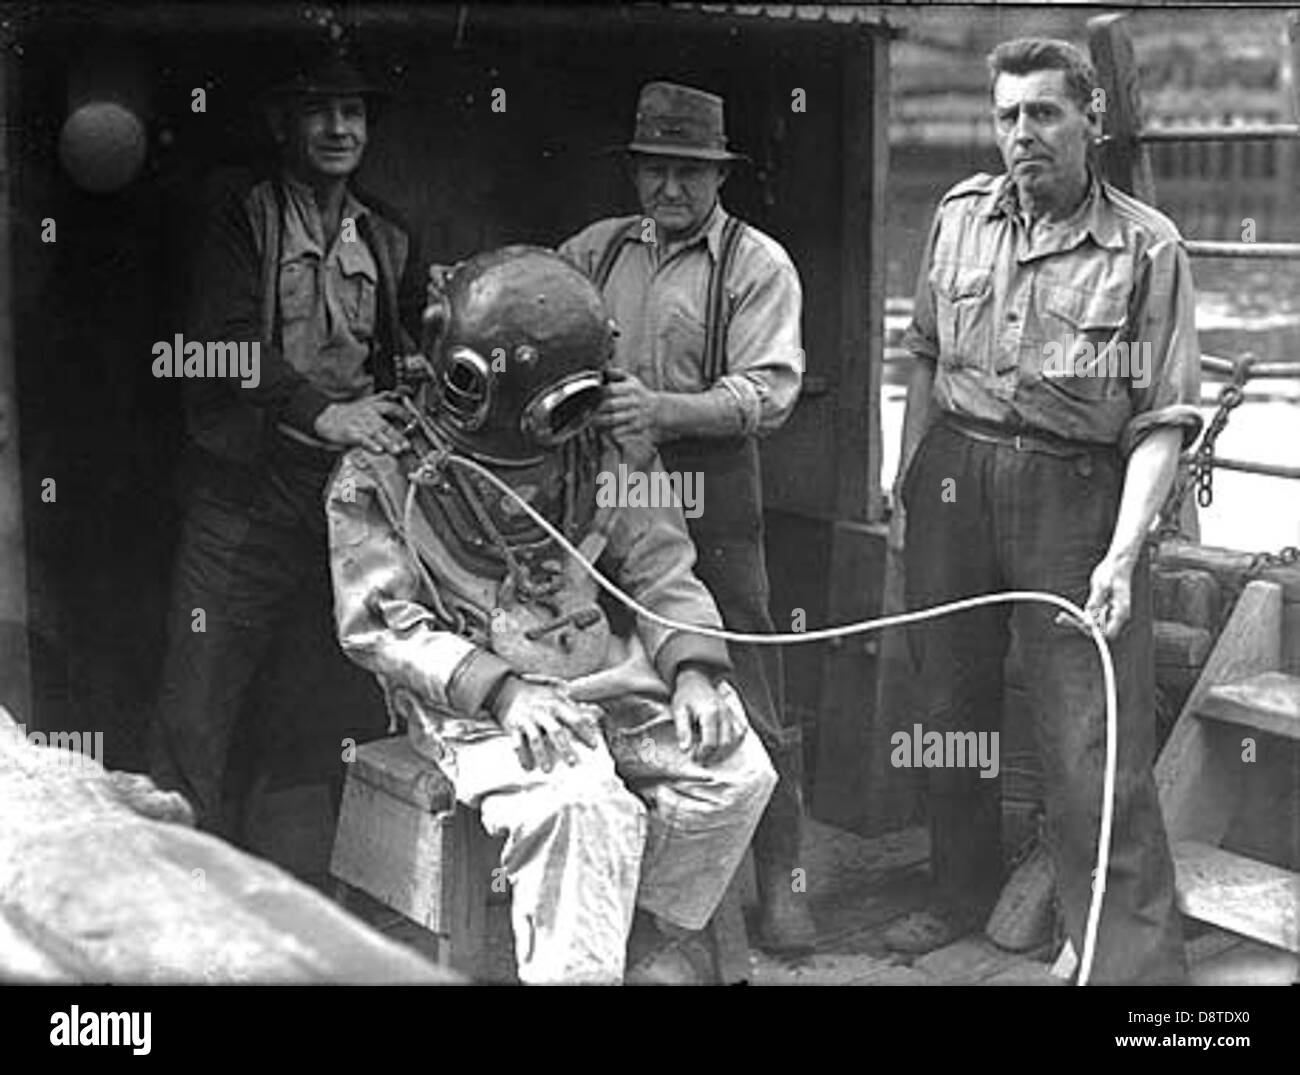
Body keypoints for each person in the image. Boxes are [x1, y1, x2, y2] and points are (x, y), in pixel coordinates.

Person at [326, 245, 776, 984]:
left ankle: (638, 936)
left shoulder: (600, 448)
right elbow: (377, 622)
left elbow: (662, 566)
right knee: (581, 803)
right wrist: (502, 691)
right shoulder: (385, 469)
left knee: (736, 770)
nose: (560, 422)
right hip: (473, 698)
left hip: (602, 667)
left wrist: (693, 672)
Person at [886, 38, 1201, 984]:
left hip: (1075, 494)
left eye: (1044, 113)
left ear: (1092, 119)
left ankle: (1128, 968)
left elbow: (1160, 424)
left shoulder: (1149, 247)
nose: (1023, 134)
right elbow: (925, 357)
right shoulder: (956, 218)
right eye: (1007, 116)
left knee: (1089, 735)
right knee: (947, 700)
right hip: (956, 475)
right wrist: (909, 485)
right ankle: (957, 888)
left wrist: (1120, 554)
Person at [557, 81, 815, 954]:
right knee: (622, 666)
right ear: (634, 170)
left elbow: (767, 393)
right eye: (656, 170)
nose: (671, 189)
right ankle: (650, 892)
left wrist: (662, 413)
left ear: (720, 175)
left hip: (711, 488)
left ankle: (783, 880)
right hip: (605, 486)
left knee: (744, 672)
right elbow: (536, 310)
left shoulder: (756, 263)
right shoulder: (593, 252)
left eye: (690, 173)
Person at [150, 49, 424, 837]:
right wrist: (322, 410)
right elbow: (215, 344)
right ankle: (177, 890)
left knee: (354, 692)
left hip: (347, 500)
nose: (339, 128)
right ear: (283, 123)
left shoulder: (390, 233)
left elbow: (399, 358)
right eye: (319, 110)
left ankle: (349, 900)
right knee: (198, 702)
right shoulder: (237, 210)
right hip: (245, 495)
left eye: (354, 113)